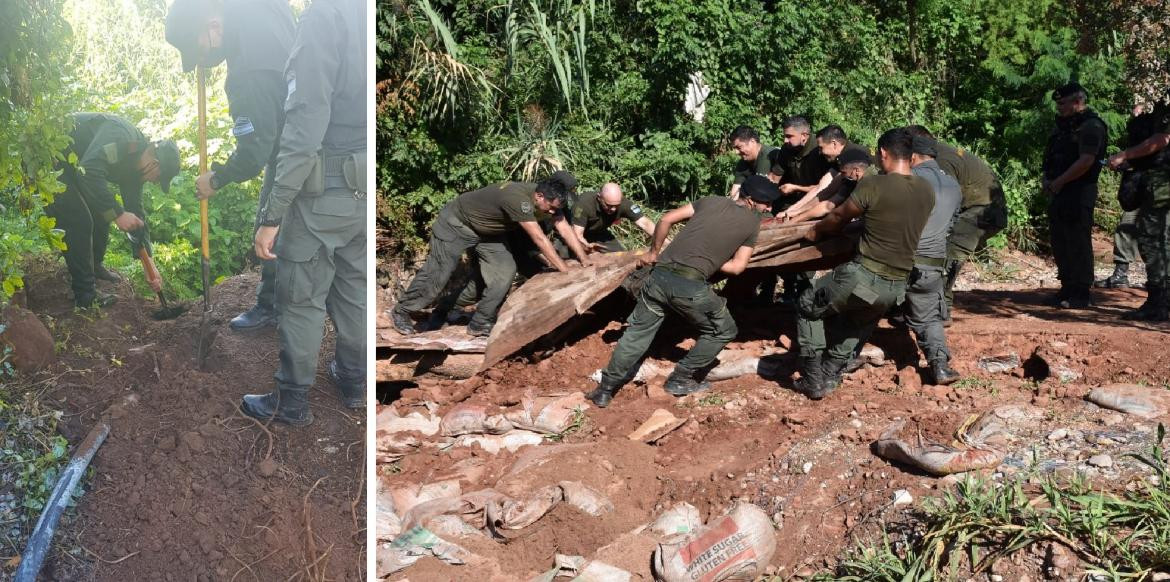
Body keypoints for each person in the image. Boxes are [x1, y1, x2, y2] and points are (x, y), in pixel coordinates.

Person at [239, 0, 367, 425]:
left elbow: (305, 124)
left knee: (301, 296)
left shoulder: (324, 16)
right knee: (354, 289)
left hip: (323, 188)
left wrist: (272, 213)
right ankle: (354, 381)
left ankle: (291, 400)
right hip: (364, 185)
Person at [585, 175, 777, 408]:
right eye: (765, 203)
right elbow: (737, 267)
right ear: (751, 200)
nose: (768, 208)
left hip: (657, 278)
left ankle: (604, 390)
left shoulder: (710, 201)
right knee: (724, 329)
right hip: (690, 286)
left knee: (637, 334)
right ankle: (680, 378)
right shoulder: (752, 224)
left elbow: (666, 219)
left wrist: (653, 253)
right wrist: (709, 261)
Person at [165, 0, 295, 330]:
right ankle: (275, 307)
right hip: (309, 141)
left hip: (292, 153)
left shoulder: (249, 68)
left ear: (213, 26)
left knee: (271, 231)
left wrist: (217, 179)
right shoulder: (261, 12)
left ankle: (278, 314)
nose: (203, 62)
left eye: (199, 51)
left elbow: (254, 153)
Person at [795, 128, 934, 400]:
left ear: (883, 153)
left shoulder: (874, 184)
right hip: (894, 288)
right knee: (857, 323)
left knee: (807, 305)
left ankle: (812, 379)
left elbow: (838, 218)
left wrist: (815, 233)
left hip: (863, 277)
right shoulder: (926, 191)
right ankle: (831, 374)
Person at [391, 179, 590, 337]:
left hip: (488, 233)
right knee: (439, 274)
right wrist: (565, 272)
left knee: (504, 272)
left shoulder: (549, 199)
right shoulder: (518, 200)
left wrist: (584, 260)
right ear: (538, 196)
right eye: (551, 208)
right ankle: (402, 311)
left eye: (556, 208)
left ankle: (479, 322)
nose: (553, 212)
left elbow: (564, 228)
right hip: (456, 225)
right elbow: (539, 238)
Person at [47, 113, 180, 308]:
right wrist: (118, 214)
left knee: (103, 211)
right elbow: (90, 170)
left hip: (74, 167)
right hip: (46, 158)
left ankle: (94, 266)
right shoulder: (121, 138)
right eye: (158, 177)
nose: (154, 182)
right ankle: (85, 296)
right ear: (154, 162)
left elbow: (135, 214)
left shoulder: (135, 169)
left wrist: (148, 263)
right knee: (79, 219)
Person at [904, 125, 1005, 317]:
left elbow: (942, 201)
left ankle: (938, 310)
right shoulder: (936, 154)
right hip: (975, 207)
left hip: (984, 210)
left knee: (948, 255)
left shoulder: (940, 161)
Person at [1040, 82, 1108, 309]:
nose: (1059, 108)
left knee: (1077, 240)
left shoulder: (1091, 126)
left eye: (1062, 103)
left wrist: (1059, 182)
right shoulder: (1063, 127)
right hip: (1059, 191)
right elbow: (1051, 158)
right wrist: (1048, 181)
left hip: (1079, 192)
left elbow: (1086, 161)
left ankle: (1081, 291)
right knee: (1060, 240)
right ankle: (1067, 286)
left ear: (1077, 102)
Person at [905, 136, 962, 384]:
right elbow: (951, 225)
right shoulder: (953, 184)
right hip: (933, 263)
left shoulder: (910, 180)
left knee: (865, 309)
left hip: (903, 259)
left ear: (913, 157)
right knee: (928, 317)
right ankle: (940, 366)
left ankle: (836, 366)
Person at [1107, 99, 1170, 321]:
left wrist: (1125, 154)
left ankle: (1159, 303)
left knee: (1154, 239)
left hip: (1162, 183)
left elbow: (1162, 138)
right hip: (1156, 179)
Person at [1098, 103, 1153, 289]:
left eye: (1140, 105)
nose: (1135, 109)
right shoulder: (1140, 128)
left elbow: (1154, 157)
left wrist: (1127, 159)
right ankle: (1121, 274)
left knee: (1154, 233)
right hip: (1137, 186)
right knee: (1126, 227)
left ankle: (1158, 280)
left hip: (1155, 189)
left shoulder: (1159, 127)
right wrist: (1126, 164)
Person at [569, 183, 656, 252]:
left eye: (616, 205)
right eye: (609, 205)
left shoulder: (623, 203)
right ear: (599, 198)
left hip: (599, 233)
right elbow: (577, 235)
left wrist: (663, 241)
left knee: (620, 256)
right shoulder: (583, 204)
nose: (613, 209)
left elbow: (645, 223)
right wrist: (589, 250)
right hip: (574, 234)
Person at [727, 126, 778, 199]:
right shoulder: (742, 163)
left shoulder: (772, 155)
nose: (736, 152)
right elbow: (735, 194)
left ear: (752, 141)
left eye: (739, 147)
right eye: (734, 148)